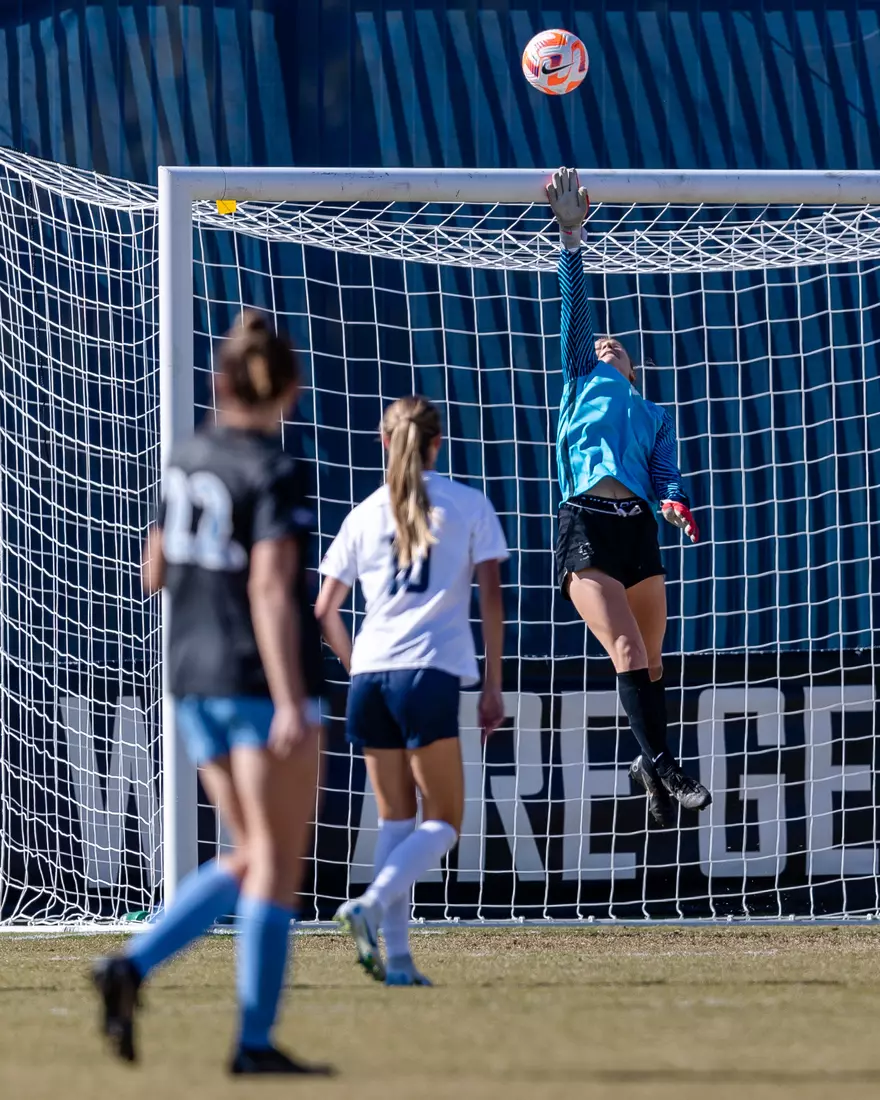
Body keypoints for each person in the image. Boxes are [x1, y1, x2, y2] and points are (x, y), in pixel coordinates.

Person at [91, 311, 331, 1076]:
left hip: (190, 676)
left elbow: (152, 570)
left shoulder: (186, 457)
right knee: (276, 862)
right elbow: (268, 586)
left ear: (219, 383)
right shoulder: (273, 467)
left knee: (250, 854)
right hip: (256, 680)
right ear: (289, 389)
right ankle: (251, 1042)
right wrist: (292, 696)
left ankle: (132, 966)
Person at [315, 395, 507, 985]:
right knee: (444, 820)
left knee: (396, 819)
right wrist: (492, 685)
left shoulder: (363, 513)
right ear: (436, 443)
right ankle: (370, 904)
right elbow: (492, 598)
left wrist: (355, 667)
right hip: (427, 673)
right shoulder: (467, 503)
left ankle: (397, 962)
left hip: (370, 676)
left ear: (383, 442)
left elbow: (324, 609)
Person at [546, 166, 712, 827]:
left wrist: (675, 502)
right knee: (627, 652)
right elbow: (576, 310)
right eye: (602, 342)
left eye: (621, 346)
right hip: (587, 520)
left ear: (635, 369)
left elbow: (668, 474)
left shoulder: (651, 412)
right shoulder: (582, 377)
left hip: (637, 527)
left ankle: (647, 761)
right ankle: (666, 764)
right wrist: (571, 238)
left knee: (652, 661)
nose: (609, 343)